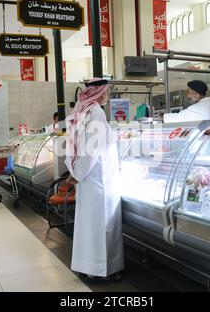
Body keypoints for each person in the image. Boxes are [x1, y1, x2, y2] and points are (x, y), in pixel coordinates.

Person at [65, 78, 124, 281]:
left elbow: (76, 146)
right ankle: (100, 271)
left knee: (88, 225)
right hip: (97, 179)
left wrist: (75, 172)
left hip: (88, 178)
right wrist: (79, 174)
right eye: (107, 92)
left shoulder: (83, 110)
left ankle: (86, 266)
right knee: (101, 225)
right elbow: (92, 150)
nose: (108, 95)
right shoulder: (96, 113)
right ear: (100, 93)